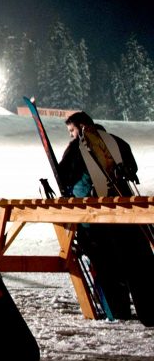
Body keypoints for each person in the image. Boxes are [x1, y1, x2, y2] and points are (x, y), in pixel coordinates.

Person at [58, 111, 145, 321]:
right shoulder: (116, 141)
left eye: (72, 130)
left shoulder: (79, 147)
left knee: (106, 264)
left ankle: (117, 310)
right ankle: (146, 308)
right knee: (133, 260)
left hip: (94, 217)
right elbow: (132, 168)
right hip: (125, 212)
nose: (71, 135)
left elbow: (64, 175)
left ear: (82, 126)